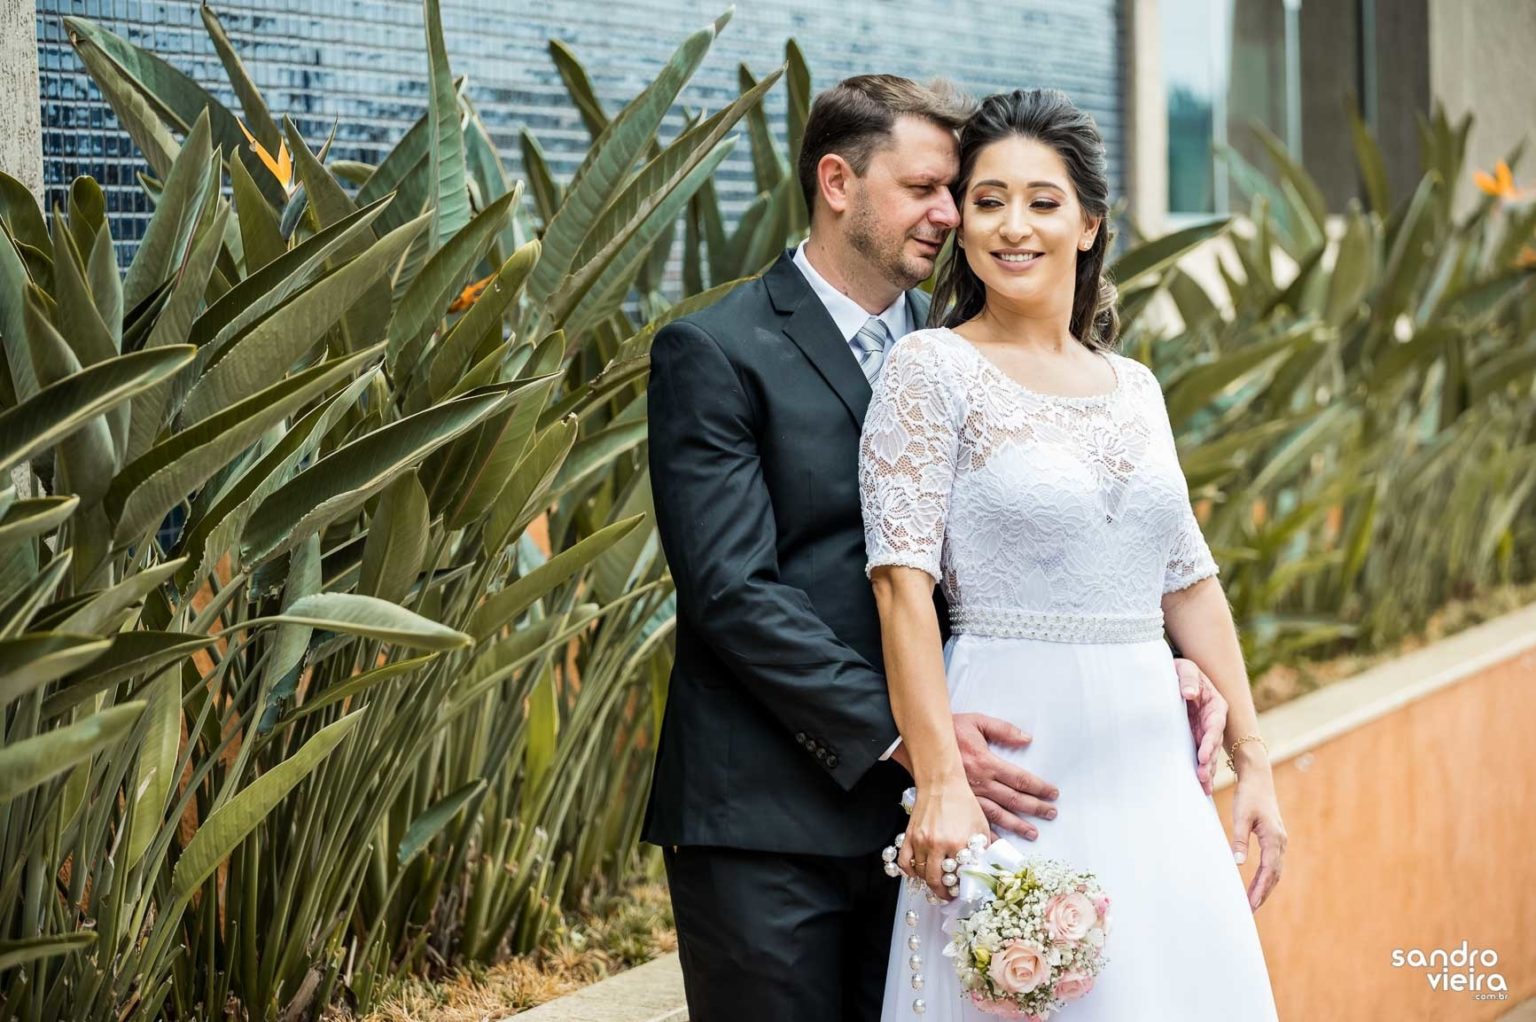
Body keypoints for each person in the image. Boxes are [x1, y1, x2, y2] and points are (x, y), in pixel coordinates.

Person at [643, 75, 1231, 1022]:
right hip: (769, 819)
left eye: (958, 192)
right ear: (837, 182)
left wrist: (1155, 663)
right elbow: (731, 592)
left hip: (951, 819)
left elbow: (1028, 543)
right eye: (926, 188)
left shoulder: (962, 350)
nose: (952, 213)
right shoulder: (716, 351)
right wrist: (908, 736)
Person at [861, 88, 1287, 1021]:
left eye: (1043, 202)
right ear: (963, 224)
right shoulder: (930, 370)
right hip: (1018, 775)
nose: (1014, 226)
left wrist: (1253, 757)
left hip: (1156, 772)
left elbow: (1192, 584)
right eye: (988, 200)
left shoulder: (1134, 387)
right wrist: (937, 780)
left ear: (1090, 222)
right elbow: (900, 585)